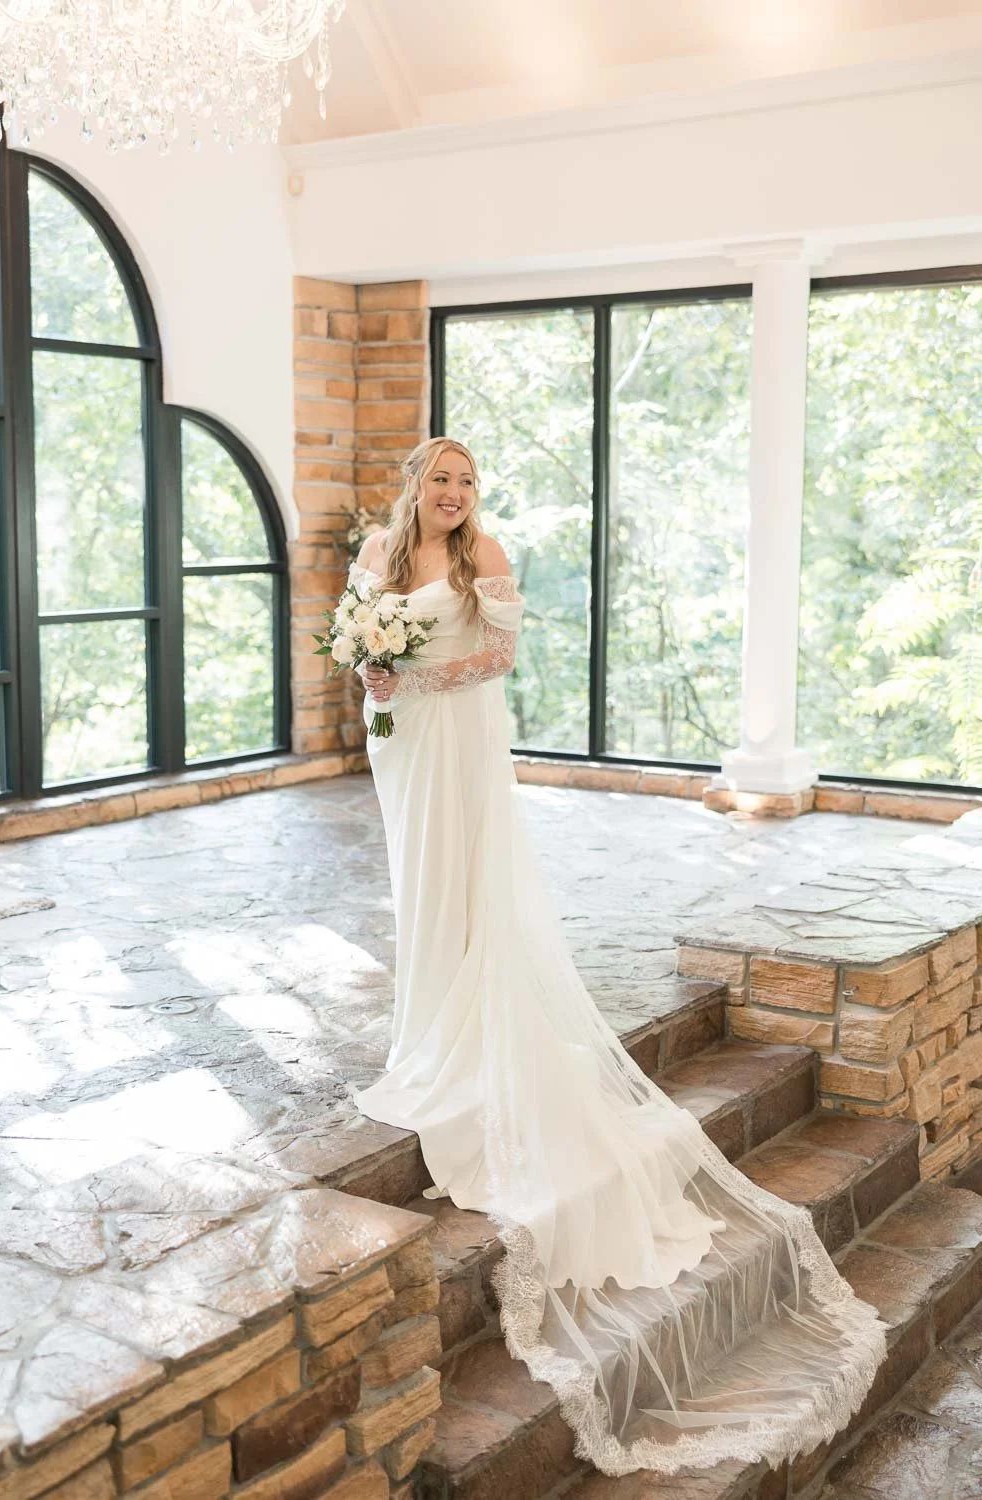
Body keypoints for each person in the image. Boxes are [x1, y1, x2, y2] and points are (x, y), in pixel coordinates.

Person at [347, 435, 887, 1477]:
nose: (455, 493)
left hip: (461, 733)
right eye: (441, 479)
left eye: (467, 480)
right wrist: (374, 675)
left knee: (468, 875)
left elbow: (498, 658)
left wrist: (419, 670)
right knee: (418, 880)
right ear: (414, 485)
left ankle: (469, 1017)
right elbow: (357, 648)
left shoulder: (484, 552)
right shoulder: (377, 551)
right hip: (401, 742)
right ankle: (429, 1014)